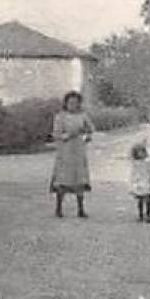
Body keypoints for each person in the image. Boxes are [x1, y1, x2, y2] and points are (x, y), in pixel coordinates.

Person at [49, 91, 94, 219]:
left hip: (78, 151)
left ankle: (81, 209)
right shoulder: (60, 117)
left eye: (76, 103)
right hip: (65, 151)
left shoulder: (83, 116)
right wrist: (68, 135)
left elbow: (90, 129)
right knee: (63, 179)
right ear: (66, 103)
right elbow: (56, 134)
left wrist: (86, 137)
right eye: (70, 103)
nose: (73, 105)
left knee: (79, 179)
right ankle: (58, 208)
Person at [129, 138, 150, 223]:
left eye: (142, 151)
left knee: (148, 200)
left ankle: (148, 215)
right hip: (139, 182)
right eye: (138, 152)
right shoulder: (135, 163)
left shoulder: (148, 161)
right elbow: (133, 174)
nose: (141, 154)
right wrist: (133, 183)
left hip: (147, 181)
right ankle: (140, 214)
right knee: (140, 200)